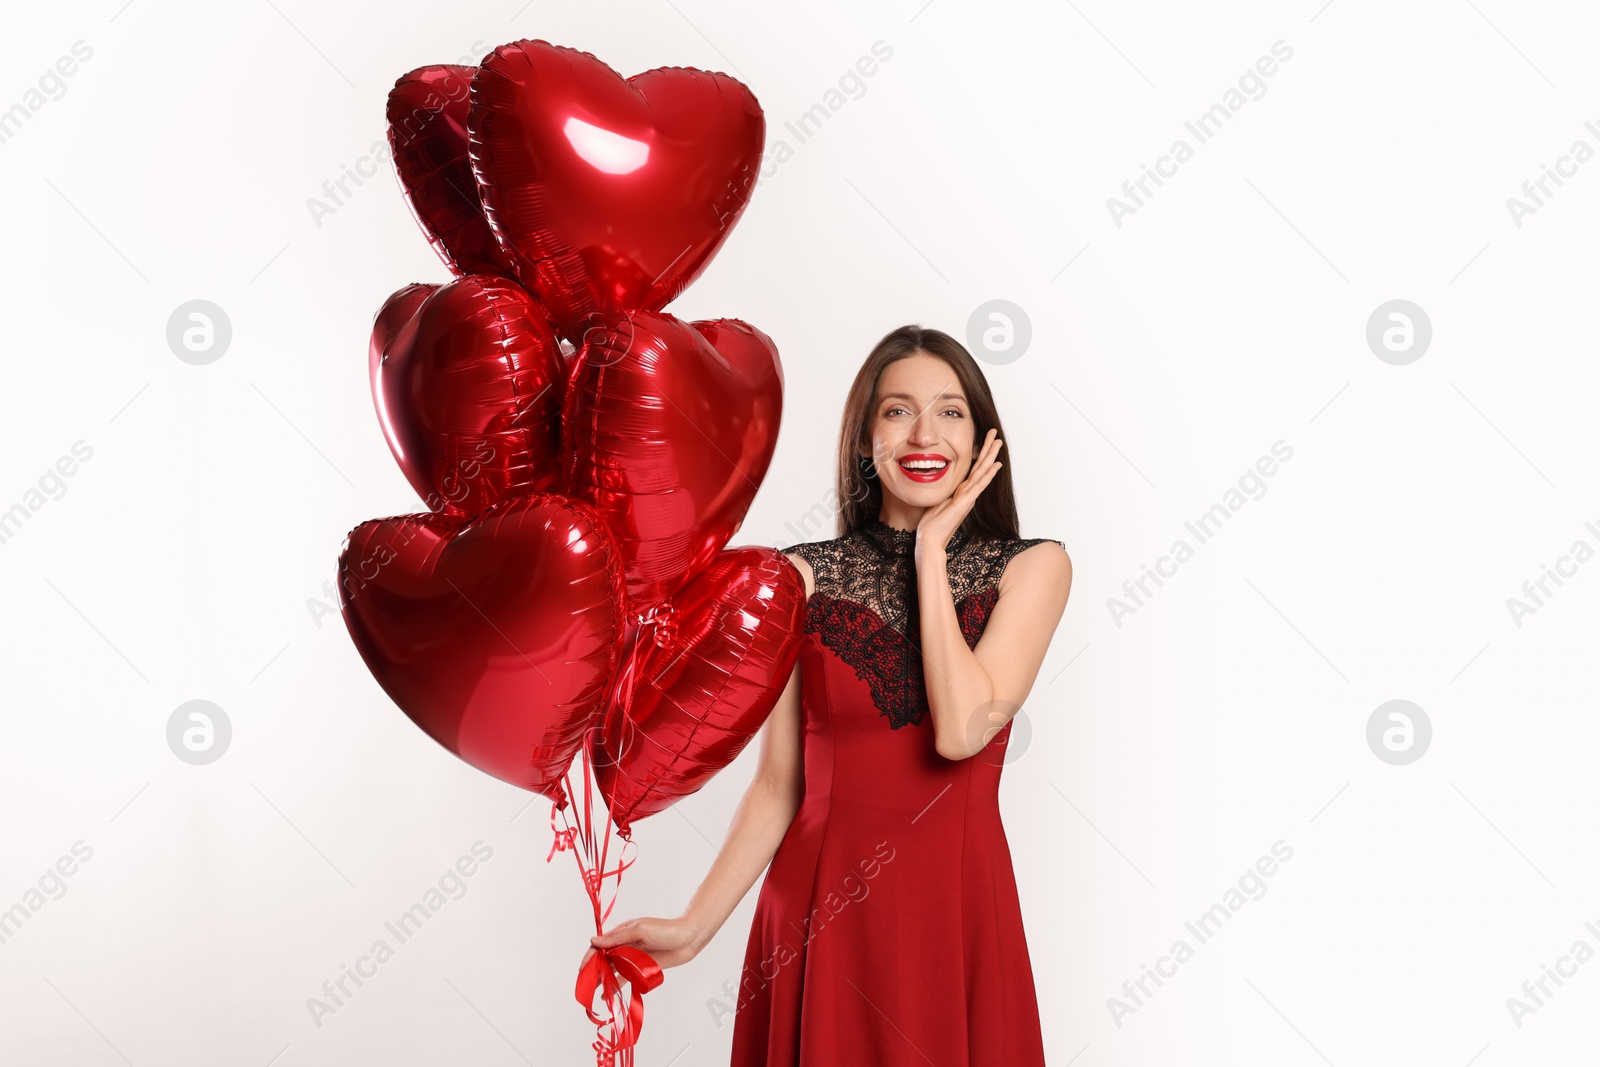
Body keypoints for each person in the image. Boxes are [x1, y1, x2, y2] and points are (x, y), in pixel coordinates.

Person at [585, 324, 1073, 1065]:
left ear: (981, 442)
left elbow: (961, 732)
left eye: (950, 411)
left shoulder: (1034, 568)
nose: (924, 431)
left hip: (956, 909)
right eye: (897, 410)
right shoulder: (798, 577)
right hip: (820, 911)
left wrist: (931, 552)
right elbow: (780, 786)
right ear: (864, 440)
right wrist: (694, 925)